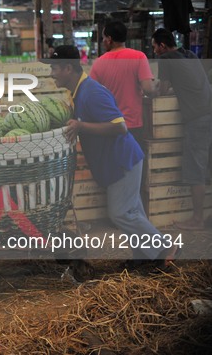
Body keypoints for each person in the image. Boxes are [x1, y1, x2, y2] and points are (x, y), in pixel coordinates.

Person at [43, 45, 179, 270]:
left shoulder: (92, 92)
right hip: (117, 162)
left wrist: (81, 126)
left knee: (121, 213)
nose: (52, 73)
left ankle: (165, 248)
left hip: (122, 161)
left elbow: (120, 127)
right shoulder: (79, 92)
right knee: (133, 212)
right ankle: (143, 257)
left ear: (68, 68)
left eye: (54, 68)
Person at [151, 28, 212, 230]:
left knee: (196, 167)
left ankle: (197, 219)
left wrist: (149, 91)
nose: (154, 52)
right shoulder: (190, 53)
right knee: (205, 164)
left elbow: (162, 89)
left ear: (162, 45)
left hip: (198, 118)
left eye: (154, 47)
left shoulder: (166, 58)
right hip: (208, 110)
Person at [90, 20, 156, 151]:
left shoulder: (99, 63)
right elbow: (148, 89)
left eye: (103, 38)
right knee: (134, 166)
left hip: (109, 125)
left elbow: (92, 95)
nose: (103, 41)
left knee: (113, 167)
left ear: (109, 39)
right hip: (134, 125)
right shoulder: (139, 57)